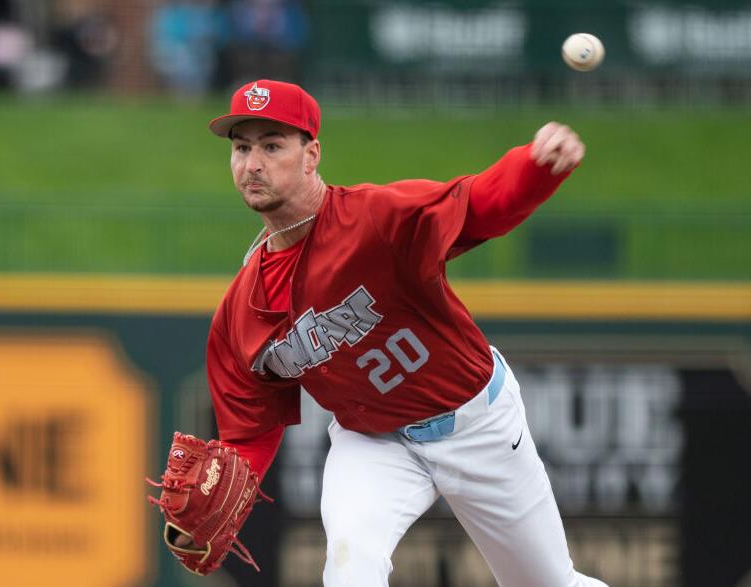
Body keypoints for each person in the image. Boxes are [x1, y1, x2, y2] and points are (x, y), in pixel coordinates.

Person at [199, 79, 606, 586]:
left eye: (272, 146)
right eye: (241, 148)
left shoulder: (374, 219)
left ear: (311, 155)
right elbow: (250, 429)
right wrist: (217, 504)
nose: (252, 164)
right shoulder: (240, 311)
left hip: (476, 424)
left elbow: (478, 204)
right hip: (373, 444)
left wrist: (534, 168)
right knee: (349, 572)